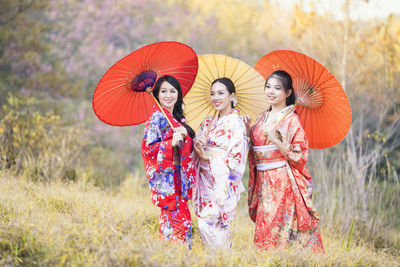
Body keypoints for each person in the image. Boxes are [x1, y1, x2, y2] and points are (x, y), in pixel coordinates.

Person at [245, 70, 324, 252]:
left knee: (280, 222)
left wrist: (276, 140)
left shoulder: (292, 120)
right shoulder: (261, 117)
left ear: (288, 93)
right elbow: (255, 148)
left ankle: (283, 259)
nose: (271, 91)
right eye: (268, 87)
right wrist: (247, 129)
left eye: (277, 88)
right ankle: (264, 260)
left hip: (282, 179)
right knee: (265, 220)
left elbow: (299, 155)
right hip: (264, 178)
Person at [193, 77, 248, 250]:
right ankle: (222, 259)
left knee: (207, 224)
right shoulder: (208, 122)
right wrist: (199, 143)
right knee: (216, 228)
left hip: (223, 182)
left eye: (220, 93)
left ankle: (222, 257)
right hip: (205, 181)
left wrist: (208, 157)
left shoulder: (236, 123)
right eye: (212, 94)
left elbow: (237, 157)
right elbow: (196, 149)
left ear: (232, 96)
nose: (215, 97)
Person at [141, 75, 196, 248]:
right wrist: (169, 144)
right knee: (178, 222)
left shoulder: (175, 120)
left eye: (172, 91)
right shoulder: (156, 118)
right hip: (168, 180)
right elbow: (148, 149)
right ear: (157, 94)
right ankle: (176, 257)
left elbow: (186, 150)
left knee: (177, 222)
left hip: (178, 178)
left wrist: (188, 139)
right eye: (163, 91)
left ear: (178, 94)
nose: (168, 95)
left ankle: (167, 256)